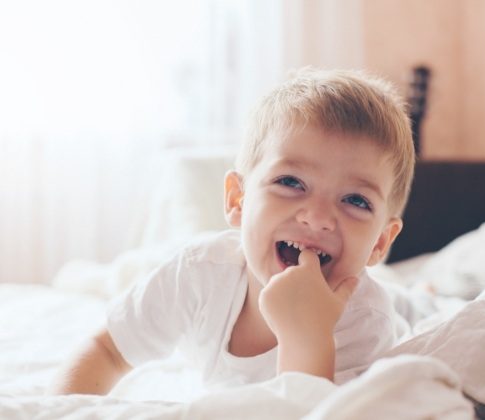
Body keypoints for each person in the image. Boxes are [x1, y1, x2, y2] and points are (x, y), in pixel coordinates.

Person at [51, 67, 415, 395]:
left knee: (413, 304)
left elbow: (307, 410)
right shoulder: (198, 271)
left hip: (399, 309)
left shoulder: (366, 323)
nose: (317, 217)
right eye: (291, 181)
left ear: (380, 242)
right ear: (237, 200)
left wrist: (308, 337)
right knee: (132, 272)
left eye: (355, 200)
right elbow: (107, 350)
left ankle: (421, 292)